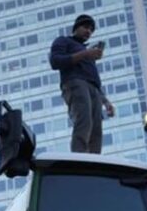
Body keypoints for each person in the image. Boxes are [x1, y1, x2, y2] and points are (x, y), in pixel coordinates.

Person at [48, 14, 115, 153]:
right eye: (85, 27)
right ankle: (79, 157)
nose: (88, 31)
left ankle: (94, 163)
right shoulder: (64, 41)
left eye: (91, 29)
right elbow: (55, 61)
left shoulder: (86, 51)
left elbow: (92, 79)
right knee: (84, 121)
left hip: (93, 89)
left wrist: (106, 101)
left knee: (96, 128)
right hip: (75, 82)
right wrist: (84, 54)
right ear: (76, 28)